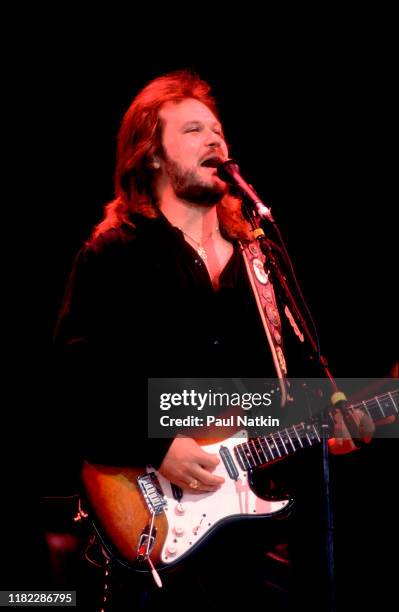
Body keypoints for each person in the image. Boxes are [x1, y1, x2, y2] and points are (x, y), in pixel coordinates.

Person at [54, 70, 383, 611]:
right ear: (151, 154)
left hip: (258, 524)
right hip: (155, 515)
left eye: (218, 130)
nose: (215, 140)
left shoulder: (260, 257)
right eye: (192, 130)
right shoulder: (114, 254)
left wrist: (332, 419)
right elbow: (75, 381)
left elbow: (289, 379)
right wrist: (154, 445)